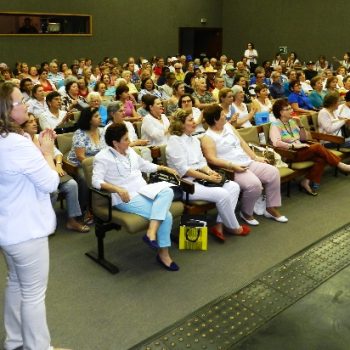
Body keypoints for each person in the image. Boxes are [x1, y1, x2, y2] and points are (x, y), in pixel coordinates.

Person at [0, 82, 70, 350]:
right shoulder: (18, 144)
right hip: (26, 231)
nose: (26, 104)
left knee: (16, 283)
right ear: (6, 110)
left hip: (9, 230)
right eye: (20, 102)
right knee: (33, 295)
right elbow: (52, 183)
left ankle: (15, 341)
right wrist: (47, 153)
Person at [92, 123, 180, 271]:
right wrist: (117, 189)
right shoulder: (102, 158)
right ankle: (163, 254)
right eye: (126, 139)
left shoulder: (130, 151)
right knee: (167, 216)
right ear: (115, 143)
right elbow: (96, 181)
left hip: (143, 190)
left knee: (168, 191)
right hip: (126, 197)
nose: (130, 141)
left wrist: (164, 168)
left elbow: (145, 165)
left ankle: (151, 232)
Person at [166, 109, 250, 241]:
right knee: (222, 194)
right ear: (181, 124)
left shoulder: (193, 139)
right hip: (186, 184)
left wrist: (211, 172)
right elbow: (184, 170)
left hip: (200, 178)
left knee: (234, 187)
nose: (195, 122)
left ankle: (219, 225)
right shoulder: (174, 141)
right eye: (190, 120)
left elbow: (201, 162)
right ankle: (234, 227)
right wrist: (208, 177)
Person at [201, 104, 287, 224]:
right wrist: (232, 165)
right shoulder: (208, 137)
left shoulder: (228, 126)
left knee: (273, 172)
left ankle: (270, 208)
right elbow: (211, 159)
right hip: (232, 168)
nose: (225, 116)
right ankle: (246, 213)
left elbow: (241, 142)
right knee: (254, 185)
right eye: (222, 115)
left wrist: (255, 157)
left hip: (247, 161)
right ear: (215, 119)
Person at [22, 114, 89, 233]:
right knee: (53, 191)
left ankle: (72, 220)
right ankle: (44, 221)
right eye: (30, 122)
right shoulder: (23, 142)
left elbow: (57, 152)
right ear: (23, 127)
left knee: (72, 184)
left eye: (34, 121)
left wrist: (58, 164)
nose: (34, 123)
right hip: (37, 178)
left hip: (52, 171)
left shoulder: (41, 136)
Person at [270, 98, 350, 195]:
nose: (292, 110)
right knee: (317, 146)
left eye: (291, 108)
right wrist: (292, 146)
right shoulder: (275, 125)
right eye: (288, 109)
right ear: (281, 112)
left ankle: (305, 182)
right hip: (290, 154)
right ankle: (341, 165)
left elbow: (303, 138)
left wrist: (300, 125)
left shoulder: (292, 122)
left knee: (321, 158)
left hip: (302, 150)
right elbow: (276, 143)